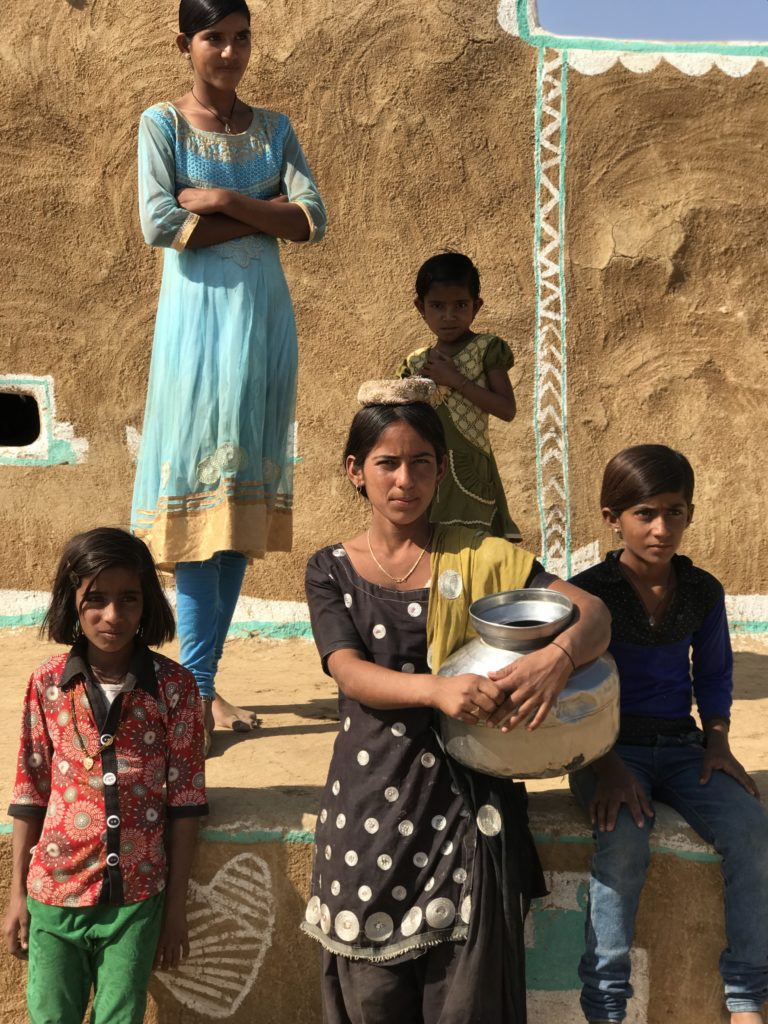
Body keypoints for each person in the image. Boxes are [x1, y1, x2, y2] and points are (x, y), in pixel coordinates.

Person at [301, 379, 610, 1024]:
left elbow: (594, 614)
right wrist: (437, 690)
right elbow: (350, 672)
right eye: (387, 463)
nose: (404, 480)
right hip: (369, 806)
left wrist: (558, 658)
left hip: (466, 807)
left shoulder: (481, 555)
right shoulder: (330, 569)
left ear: (441, 470)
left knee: (465, 998)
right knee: (371, 994)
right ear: (356, 473)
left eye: (420, 463)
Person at [131, 0, 327, 747]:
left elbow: (312, 219)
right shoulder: (162, 126)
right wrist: (264, 210)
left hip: (264, 332)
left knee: (236, 519)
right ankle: (198, 690)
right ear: (184, 43)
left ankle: (200, 691)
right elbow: (159, 223)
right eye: (215, 37)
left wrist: (224, 200)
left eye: (242, 37)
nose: (231, 51)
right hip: (196, 339)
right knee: (193, 521)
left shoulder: (275, 128)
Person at [569, 445, 768, 1024]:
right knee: (625, 839)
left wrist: (718, 739)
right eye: (644, 514)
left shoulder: (702, 590)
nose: (661, 528)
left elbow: (713, 672)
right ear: (613, 518)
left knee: (752, 829)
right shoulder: (588, 593)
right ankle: (606, 1006)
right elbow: (575, 692)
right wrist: (606, 766)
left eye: (675, 512)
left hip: (682, 749)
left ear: (690, 513)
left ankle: (747, 998)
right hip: (605, 751)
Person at [2, 528, 208, 1024]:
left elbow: (185, 802)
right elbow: (31, 788)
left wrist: (174, 910)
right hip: (54, 893)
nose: (112, 616)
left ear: (147, 604)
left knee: (121, 1016)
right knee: (51, 1015)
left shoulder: (175, 687)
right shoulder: (47, 682)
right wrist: (16, 896)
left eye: (128, 600)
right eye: (95, 599)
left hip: (137, 899)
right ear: (71, 601)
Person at [398, 251, 522, 541]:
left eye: (461, 305)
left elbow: (506, 409)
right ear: (421, 307)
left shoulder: (486, 349)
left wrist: (456, 380)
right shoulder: (415, 363)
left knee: (474, 548)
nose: (449, 316)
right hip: (425, 471)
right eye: (437, 306)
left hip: (471, 471)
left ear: (476, 306)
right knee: (429, 546)